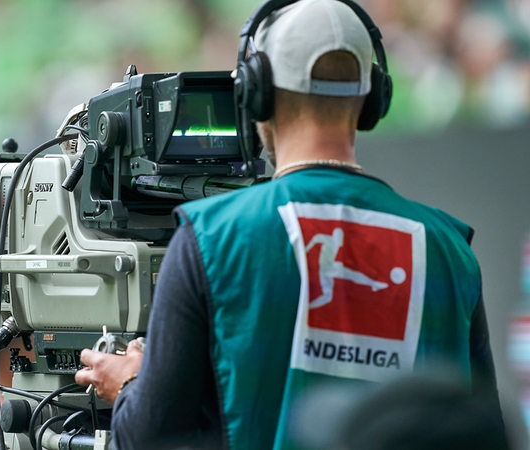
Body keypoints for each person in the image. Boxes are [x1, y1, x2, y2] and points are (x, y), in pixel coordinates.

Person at [74, 0, 505, 448]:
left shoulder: (212, 237)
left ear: (256, 94)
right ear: (371, 97)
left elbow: (148, 436)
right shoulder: (450, 250)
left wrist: (129, 385)